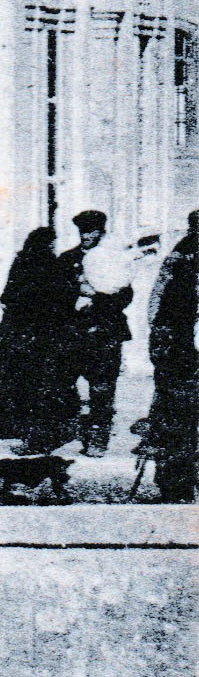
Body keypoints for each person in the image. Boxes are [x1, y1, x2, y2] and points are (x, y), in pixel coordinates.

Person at [0, 225, 82, 455]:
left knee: (14, 383)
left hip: (16, 333)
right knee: (39, 386)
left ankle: (12, 427)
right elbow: (61, 302)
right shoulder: (52, 267)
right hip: (41, 335)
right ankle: (38, 436)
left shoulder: (21, 263)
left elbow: (6, 297)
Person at [68, 211, 136, 456]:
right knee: (63, 382)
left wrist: (95, 296)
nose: (86, 236)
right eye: (82, 232)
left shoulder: (115, 260)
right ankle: (63, 431)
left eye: (91, 231)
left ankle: (98, 438)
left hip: (107, 331)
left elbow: (125, 297)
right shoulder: (70, 259)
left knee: (102, 387)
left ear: (101, 231)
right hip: (75, 332)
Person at [146, 213, 198, 502]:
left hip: (173, 349)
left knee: (174, 414)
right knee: (177, 414)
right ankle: (177, 482)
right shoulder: (180, 261)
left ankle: (176, 483)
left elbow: (155, 309)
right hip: (180, 349)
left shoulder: (176, 258)